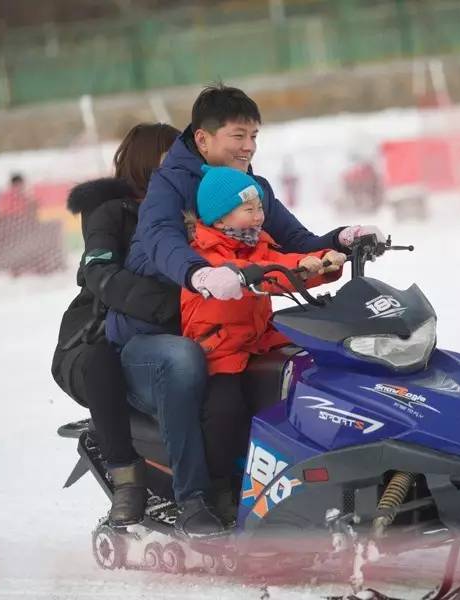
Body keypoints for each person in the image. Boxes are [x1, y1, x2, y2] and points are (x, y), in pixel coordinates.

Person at [105, 83, 383, 536]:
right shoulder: (171, 185)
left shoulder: (249, 188)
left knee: (309, 355)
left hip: (229, 325)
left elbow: (294, 246)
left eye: (254, 135)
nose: (249, 146)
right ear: (203, 139)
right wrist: (198, 274)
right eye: (238, 135)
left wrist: (339, 243)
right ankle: (195, 498)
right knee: (184, 361)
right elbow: (159, 239)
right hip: (153, 330)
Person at [181, 165, 345, 522]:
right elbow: (261, 274)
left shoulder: (255, 242)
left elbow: (276, 263)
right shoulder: (208, 255)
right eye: (249, 208)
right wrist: (298, 268)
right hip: (220, 349)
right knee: (225, 411)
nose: (259, 214)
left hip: (256, 340)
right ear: (220, 217)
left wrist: (318, 263)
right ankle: (222, 487)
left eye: (260, 206)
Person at [52, 123, 181, 527]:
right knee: (103, 365)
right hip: (93, 332)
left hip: (159, 328)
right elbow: (100, 274)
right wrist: (168, 308)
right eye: (171, 156)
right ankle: (127, 482)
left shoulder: (187, 205)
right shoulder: (110, 210)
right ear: (146, 162)